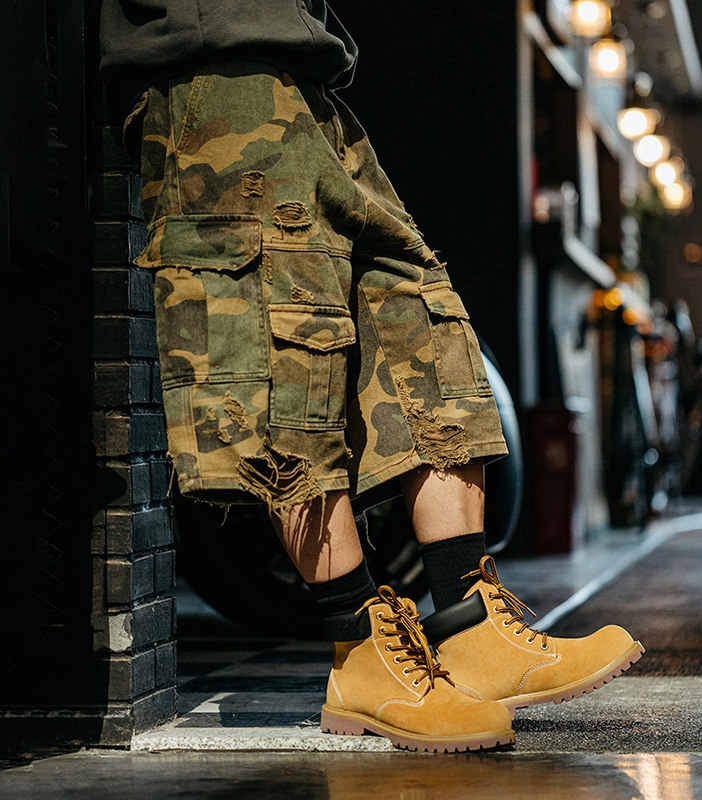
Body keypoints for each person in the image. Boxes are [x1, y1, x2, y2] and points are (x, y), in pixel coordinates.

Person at [99, 0, 644, 752]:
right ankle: (360, 651)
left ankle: (470, 622)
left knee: (414, 314)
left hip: (310, 79)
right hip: (214, 74)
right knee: (286, 355)